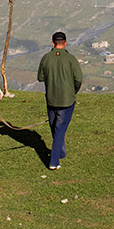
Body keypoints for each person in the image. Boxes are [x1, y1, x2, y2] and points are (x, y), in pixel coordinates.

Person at [37, 31, 83, 170]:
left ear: (52, 43)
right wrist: (73, 91)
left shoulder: (46, 58)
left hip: (51, 99)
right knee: (59, 129)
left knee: (55, 127)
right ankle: (53, 161)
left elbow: (40, 77)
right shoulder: (71, 59)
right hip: (67, 100)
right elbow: (78, 79)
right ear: (65, 42)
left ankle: (61, 152)